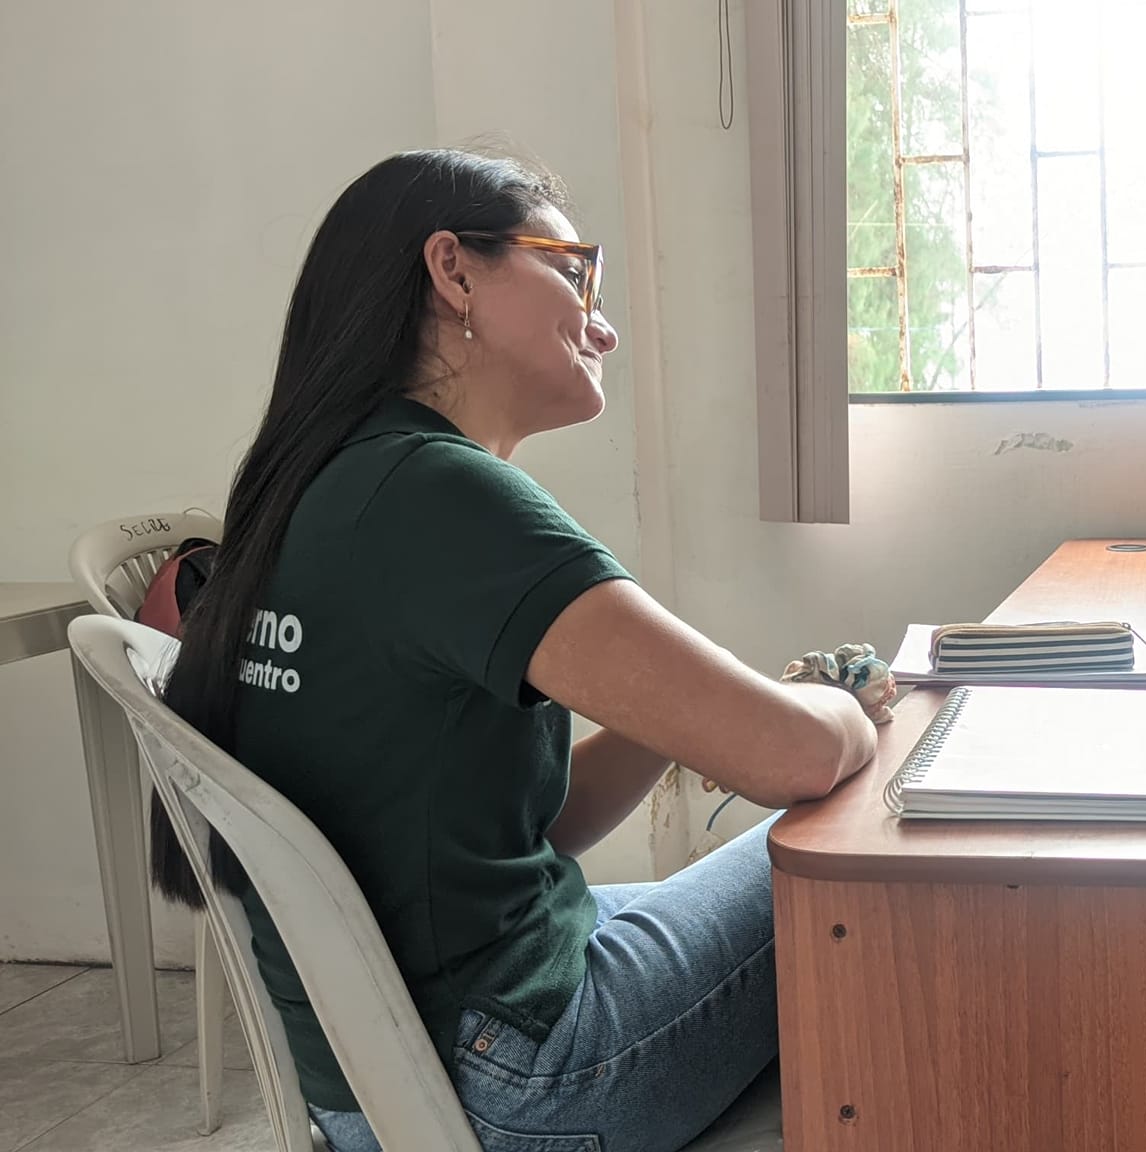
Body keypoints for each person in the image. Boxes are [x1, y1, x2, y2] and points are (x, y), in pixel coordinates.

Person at [155, 149, 884, 1152]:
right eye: (576, 273)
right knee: (862, 860)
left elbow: (525, 834)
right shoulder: (441, 497)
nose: (604, 325)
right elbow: (793, 758)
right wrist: (851, 703)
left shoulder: (315, 486)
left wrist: (674, 721)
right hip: (516, 1083)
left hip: (378, 1089)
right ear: (453, 270)